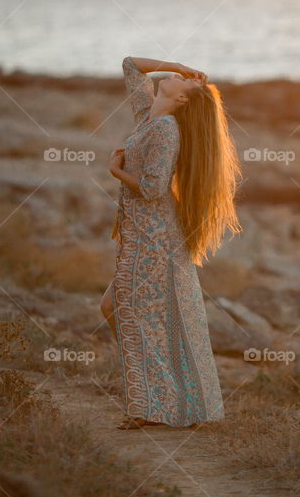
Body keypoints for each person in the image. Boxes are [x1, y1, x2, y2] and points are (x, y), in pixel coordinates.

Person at [100, 56, 242, 429]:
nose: (183, 77)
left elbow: (152, 188)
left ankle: (152, 407)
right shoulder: (149, 115)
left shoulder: (165, 129)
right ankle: (165, 401)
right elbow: (132, 65)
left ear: (182, 101)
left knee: (130, 315)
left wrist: (115, 171)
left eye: (189, 83)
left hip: (154, 240)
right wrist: (179, 65)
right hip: (140, 236)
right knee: (121, 310)